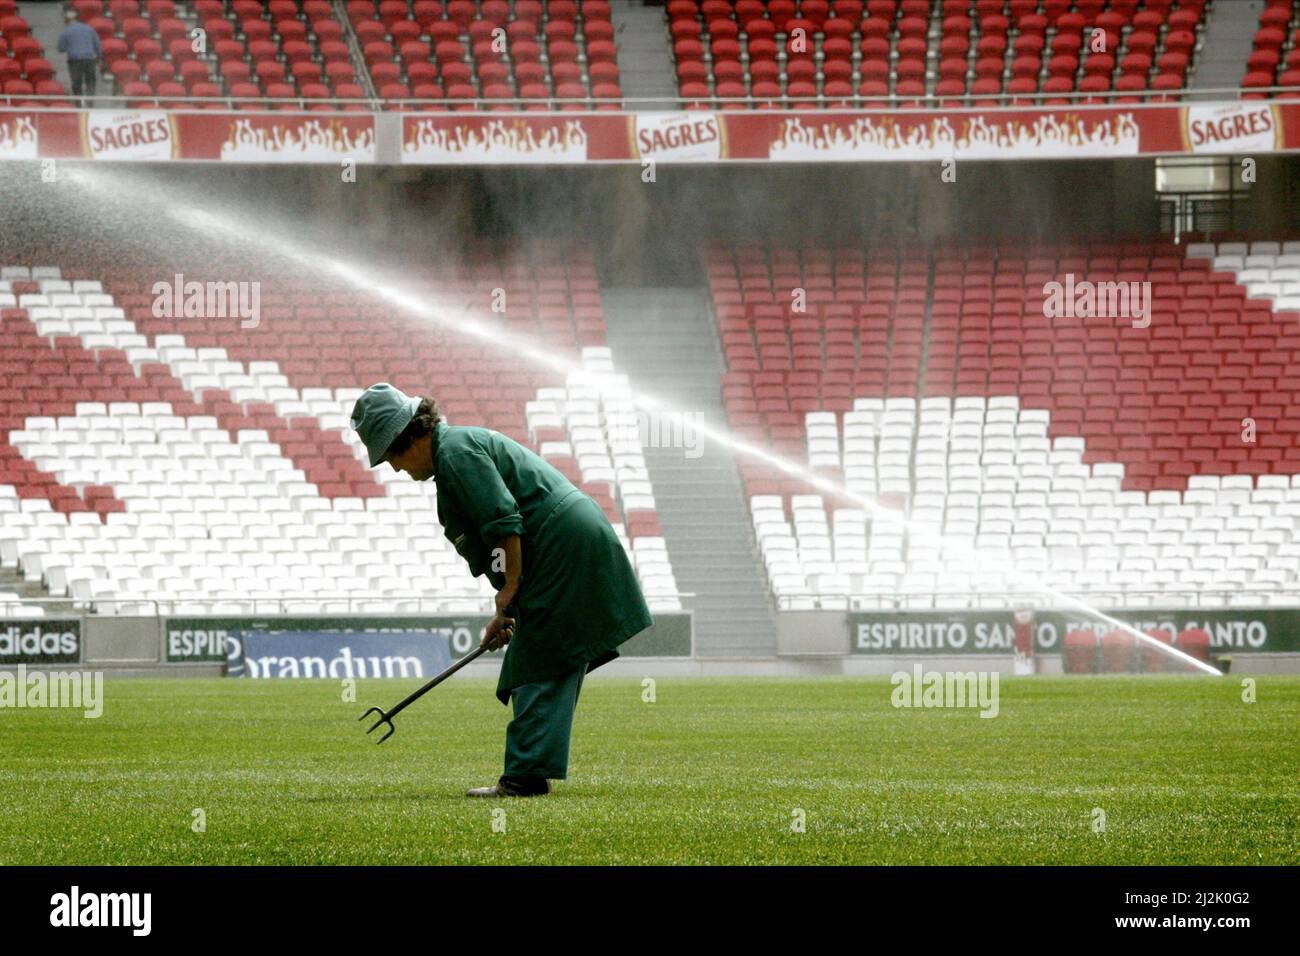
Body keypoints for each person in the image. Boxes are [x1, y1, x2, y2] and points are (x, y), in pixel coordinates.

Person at [350, 383, 654, 797]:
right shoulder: (454, 453)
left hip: (561, 544)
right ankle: (530, 771)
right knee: (546, 653)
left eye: (392, 457)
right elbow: (499, 540)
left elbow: (503, 519)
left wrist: (510, 589)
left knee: (536, 659)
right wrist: (507, 611)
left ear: (409, 437)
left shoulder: (455, 453)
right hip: (563, 543)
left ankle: (525, 777)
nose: (397, 469)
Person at [57, 11, 101, 102]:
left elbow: (61, 48)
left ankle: (79, 103)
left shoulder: (66, 32)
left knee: (77, 83)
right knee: (91, 82)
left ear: (67, 20)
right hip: (89, 60)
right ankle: (89, 102)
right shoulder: (89, 29)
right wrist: (99, 58)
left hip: (74, 61)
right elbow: (97, 45)